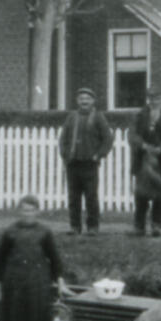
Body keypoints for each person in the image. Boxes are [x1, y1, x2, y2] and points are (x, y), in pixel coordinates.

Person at [55, 87, 113, 235]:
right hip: (73, 163)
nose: (84, 101)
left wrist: (98, 155)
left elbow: (108, 139)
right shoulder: (71, 117)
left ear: (93, 101)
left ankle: (93, 227)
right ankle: (75, 227)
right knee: (73, 197)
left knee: (91, 197)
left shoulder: (98, 117)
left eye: (87, 99)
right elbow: (63, 139)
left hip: (89, 163)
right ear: (77, 101)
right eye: (81, 99)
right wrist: (65, 155)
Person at [129, 90, 161, 237]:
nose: (154, 101)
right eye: (151, 98)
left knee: (160, 195)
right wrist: (142, 145)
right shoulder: (139, 115)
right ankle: (139, 226)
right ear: (148, 99)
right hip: (142, 160)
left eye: (157, 98)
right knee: (141, 195)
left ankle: (156, 224)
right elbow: (132, 134)